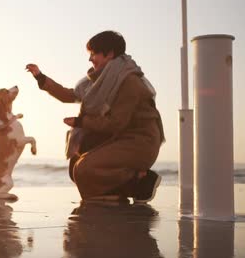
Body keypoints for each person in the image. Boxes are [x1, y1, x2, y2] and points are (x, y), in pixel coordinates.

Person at [26, 30, 165, 203]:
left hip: (140, 142)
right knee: (74, 165)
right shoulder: (100, 80)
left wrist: (80, 121)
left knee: (83, 170)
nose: (90, 59)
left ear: (110, 53)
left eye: (93, 53)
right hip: (118, 138)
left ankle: (142, 179)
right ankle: (123, 191)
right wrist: (40, 77)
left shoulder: (129, 81)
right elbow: (69, 95)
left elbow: (116, 123)